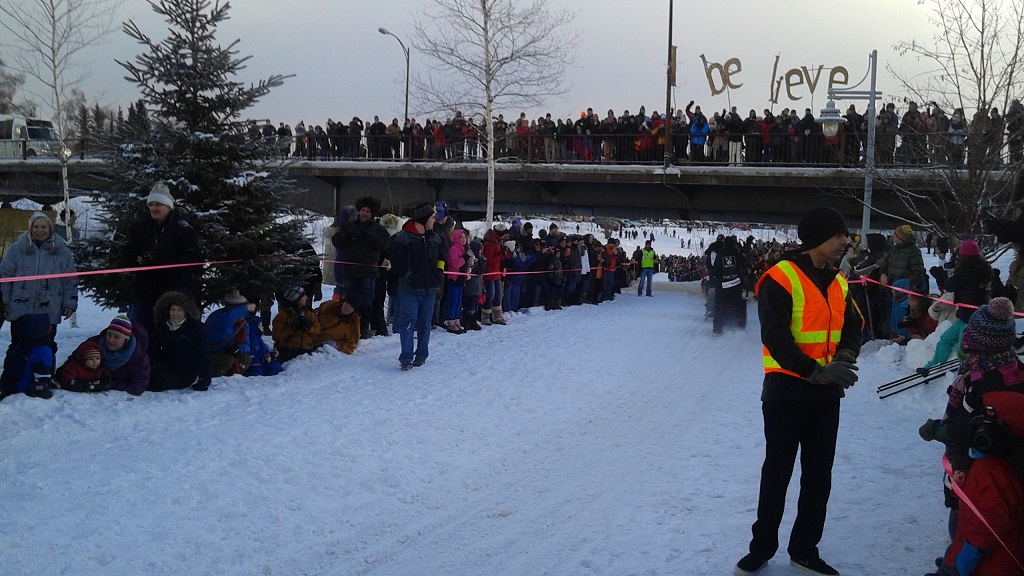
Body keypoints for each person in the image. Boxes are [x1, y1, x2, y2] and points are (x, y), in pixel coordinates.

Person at [736, 206, 863, 576]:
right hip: (786, 392)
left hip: (825, 395)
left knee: (818, 475)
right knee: (777, 472)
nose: (845, 241)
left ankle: (805, 549)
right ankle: (761, 548)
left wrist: (846, 354)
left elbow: (854, 326)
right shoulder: (781, 277)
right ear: (818, 238)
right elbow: (775, 337)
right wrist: (815, 372)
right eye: (839, 235)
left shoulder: (838, 282)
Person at [123, 182, 203, 335]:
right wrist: (137, 259)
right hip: (144, 291)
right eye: (151, 204)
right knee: (139, 332)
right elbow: (128, 252)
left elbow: (193, 258)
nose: (154, 208)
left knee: (174, 335)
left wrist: (162, 264)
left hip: (174, 291)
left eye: (158, 204)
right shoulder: (140, 228)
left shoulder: (183, 229)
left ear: (168, 206)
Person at [0, 211, 78, 355]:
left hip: (49, 309)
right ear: (31, 229)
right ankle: (16, 374)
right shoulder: (16, 250)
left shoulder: (62, 251)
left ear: (50, 229)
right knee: (18, 345)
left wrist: (70, 302)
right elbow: (5, 276)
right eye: (36, 227)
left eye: (43, 227)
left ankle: (44, 374)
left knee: (47, 345)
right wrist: (3, 300)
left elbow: (70, 280)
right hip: (20, 308)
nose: (39, 230)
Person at [917, 239, 992, 375]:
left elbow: (950, 285)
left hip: (970, 318)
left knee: (963, 349)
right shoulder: (985, 269)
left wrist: (943, 276)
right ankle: (934, 365)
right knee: (946, 339)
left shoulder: (967, 271)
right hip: (975, 314)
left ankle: (964, 377)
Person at [391, 203, 444, 370]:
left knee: (425, 323)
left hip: (430, 289)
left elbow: (442, 259)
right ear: (423, 218)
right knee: (407, 322)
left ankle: (421, 354)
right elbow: (397, 263)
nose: (434, 220)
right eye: (432, 217)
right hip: (410, 290)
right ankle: (406, 357)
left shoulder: (436, 238)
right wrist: (408, 277)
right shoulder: (403, 238)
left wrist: (439, 274)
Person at [331, 196, 391, 338]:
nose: (364, 213)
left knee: (367, 301)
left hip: (369, 272)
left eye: (367, 211)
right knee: (349, 301)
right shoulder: (350, 226)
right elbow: (336, 240)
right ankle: (348, 329)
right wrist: (347, 236)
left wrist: (368, 236)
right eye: (362, 210)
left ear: (372, 214)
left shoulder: (378, 229)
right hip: (350, 272)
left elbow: (385, 243)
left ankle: (363, 330)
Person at [148, 290, 212, 392]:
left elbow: (203, 355)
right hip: (163, 368)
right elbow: (153, 349)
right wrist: (155, 363)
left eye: (180, 309)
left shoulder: (196, 329)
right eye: (172, 309)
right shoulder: (163, 327)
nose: (175, 313)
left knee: (155, 382)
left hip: (185, 373)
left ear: (186, 311)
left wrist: (204, 380)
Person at [89, 315, 151, 396]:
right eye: (109, 335)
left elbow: (138, 387)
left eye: (116, 337)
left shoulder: (138, 356)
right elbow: (71, 364)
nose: (111, 340)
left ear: (126, 339)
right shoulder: (95, 344)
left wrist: (110, 383)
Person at [0, 313, 55, 400]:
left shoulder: (20, 346)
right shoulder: (44, 351)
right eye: (48, 326)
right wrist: (43, 392)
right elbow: (41, 376)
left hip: (8, 387)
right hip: (22, 392)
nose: (51, 327)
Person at [272, 285, 322, 363]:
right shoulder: (282, 315)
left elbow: (317, 330)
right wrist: (292, 329)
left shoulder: (309, 313)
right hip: (288, 350)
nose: (306, 298)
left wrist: (309, 328)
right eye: (303, 296)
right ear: (296, 299)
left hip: (307, 350)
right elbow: (276, 336)